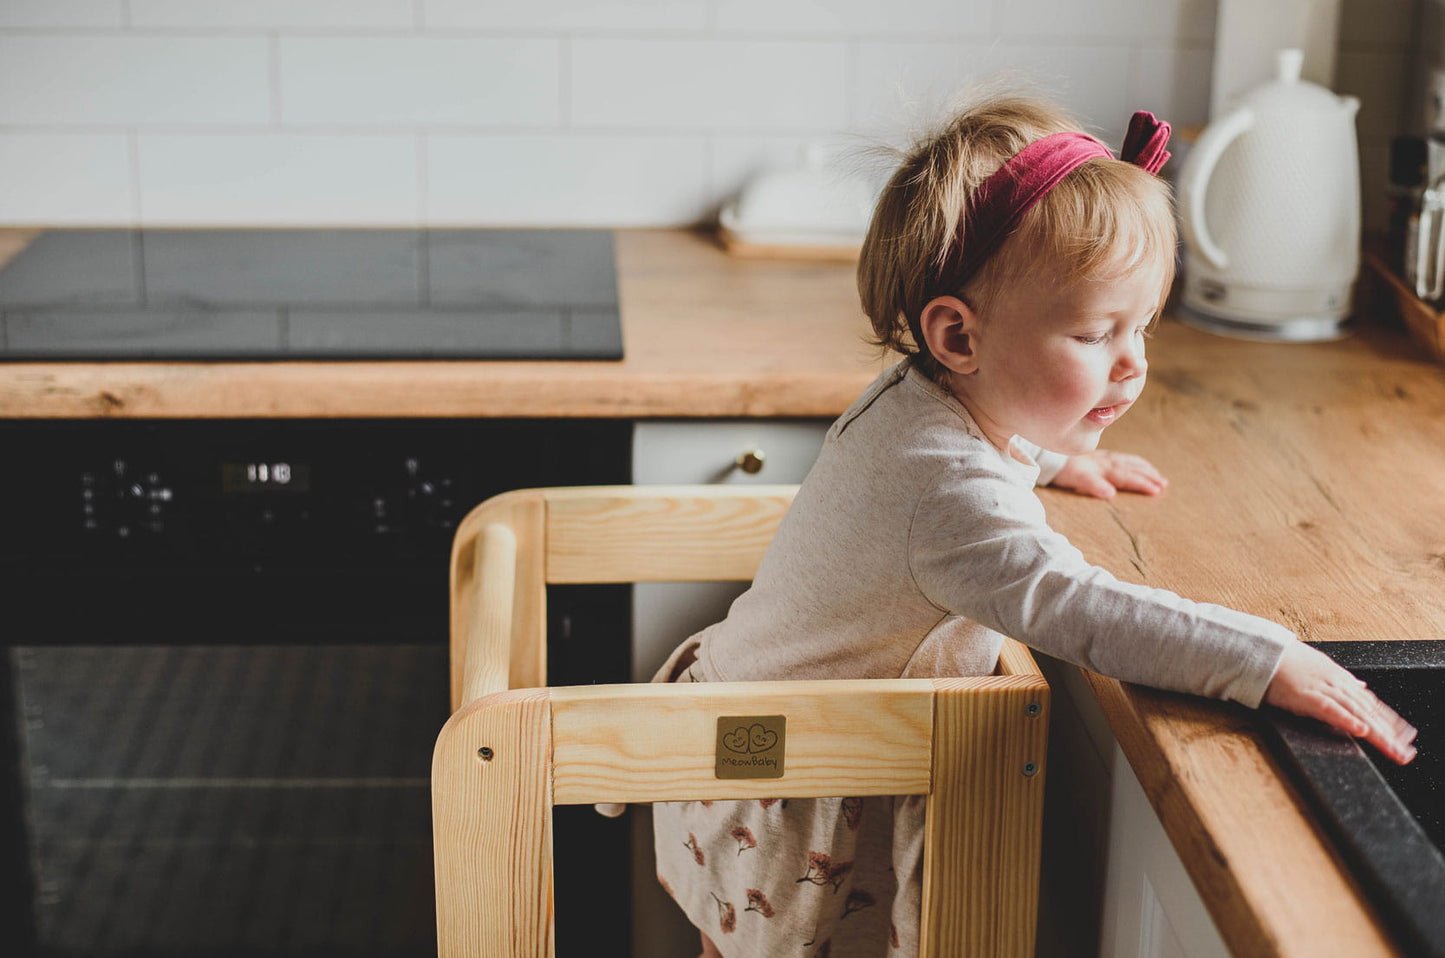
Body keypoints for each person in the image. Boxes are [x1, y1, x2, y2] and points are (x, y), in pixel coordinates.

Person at [647, 94, 1418, 958]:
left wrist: (1054, 458)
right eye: (1095, 333)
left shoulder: (925, 397)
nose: (1134, 364)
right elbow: (1079, 605)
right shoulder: (948, 497)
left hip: (737, 735)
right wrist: (1264, 659)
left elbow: (974, 449)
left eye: (1143, 326)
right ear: (957, 336)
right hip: (788, 780)